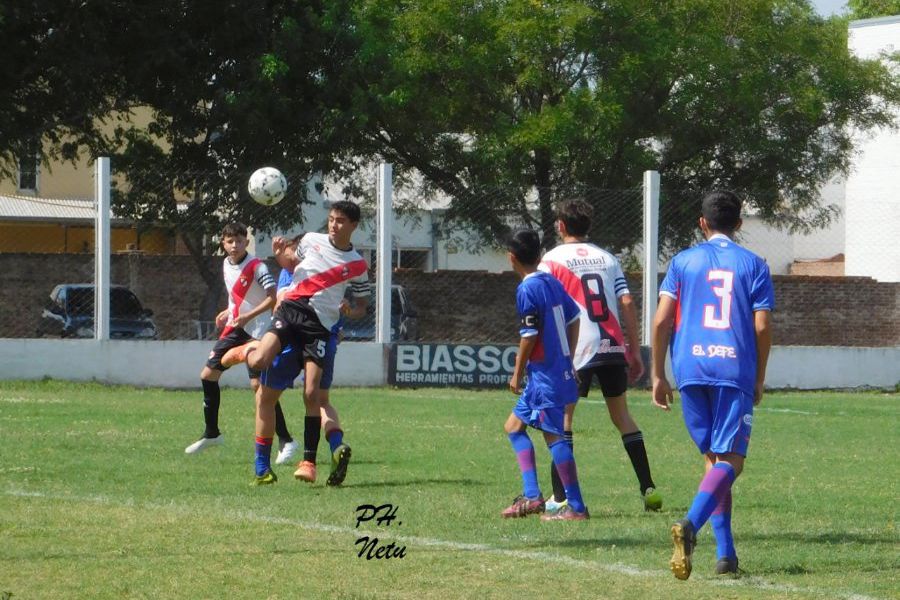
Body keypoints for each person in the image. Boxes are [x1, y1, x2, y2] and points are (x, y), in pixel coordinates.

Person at [650, 190, 774, 579]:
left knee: (713, 460)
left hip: (689, 367)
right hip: (732, 368)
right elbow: (762, 325)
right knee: (732, 460)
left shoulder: (682, 262)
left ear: (702, 223)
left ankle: (726, 556)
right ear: (739, 225)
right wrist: (758, 377)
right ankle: (689, 525)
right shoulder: (753, 264)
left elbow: (660, 322)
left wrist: (657, 374)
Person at [539, 199, 662, 512]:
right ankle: (648, 490)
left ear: (561, 225)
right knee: (622, 417)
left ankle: (560, 498)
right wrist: (634, 350)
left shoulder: (551, 260)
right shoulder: (608, 259)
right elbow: (627, 303)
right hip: (612, 345)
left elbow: (544, 305)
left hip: (577, 348)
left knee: (564, 419)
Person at [245, 201, 369, 485]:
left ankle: (308, 463)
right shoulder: (311, 240)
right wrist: (279, 256)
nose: (333, 225)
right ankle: (247, 350)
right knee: (261, 362)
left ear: (353, 225)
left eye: (340, 221)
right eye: (331, 219)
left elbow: (363, 306)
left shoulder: (358, 265)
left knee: (312, 394)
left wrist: (352, 308)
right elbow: (291, 265)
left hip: (319, 329)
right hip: (291, 314)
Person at [231, 234, 353, 485]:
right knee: (320, 400)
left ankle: (263, 467)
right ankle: (335, 447)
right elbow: (340, 311)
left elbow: (282, 306)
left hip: (294, 340)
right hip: (324, 341)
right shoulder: (330, 270)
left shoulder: (295, 273)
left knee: (266, 397)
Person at [184, 222, 298, 461]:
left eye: (239, 240)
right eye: (229, 241)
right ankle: (212, 433)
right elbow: (236, 294)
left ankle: (286, 440)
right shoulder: (226, 264)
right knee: (208, 375)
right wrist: (229, 310)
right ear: (223, 244)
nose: (234, 245)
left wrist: (248, 315)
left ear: (246, 242)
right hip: (236, 327)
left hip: (258, 329)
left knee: (259, 388)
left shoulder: (258, 266)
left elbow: (272, 298)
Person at [502, 228, 588, 521]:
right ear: (539, 256)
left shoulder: (527, 288)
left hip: (545, 376)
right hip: (555, 371)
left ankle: (576, 507)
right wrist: (570, 359)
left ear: (511, 258)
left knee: (555, 437)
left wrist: (516, 373)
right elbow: (575, 318)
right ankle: (532, 496)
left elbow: (529, 335)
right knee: (513, 427)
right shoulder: (551, 281)